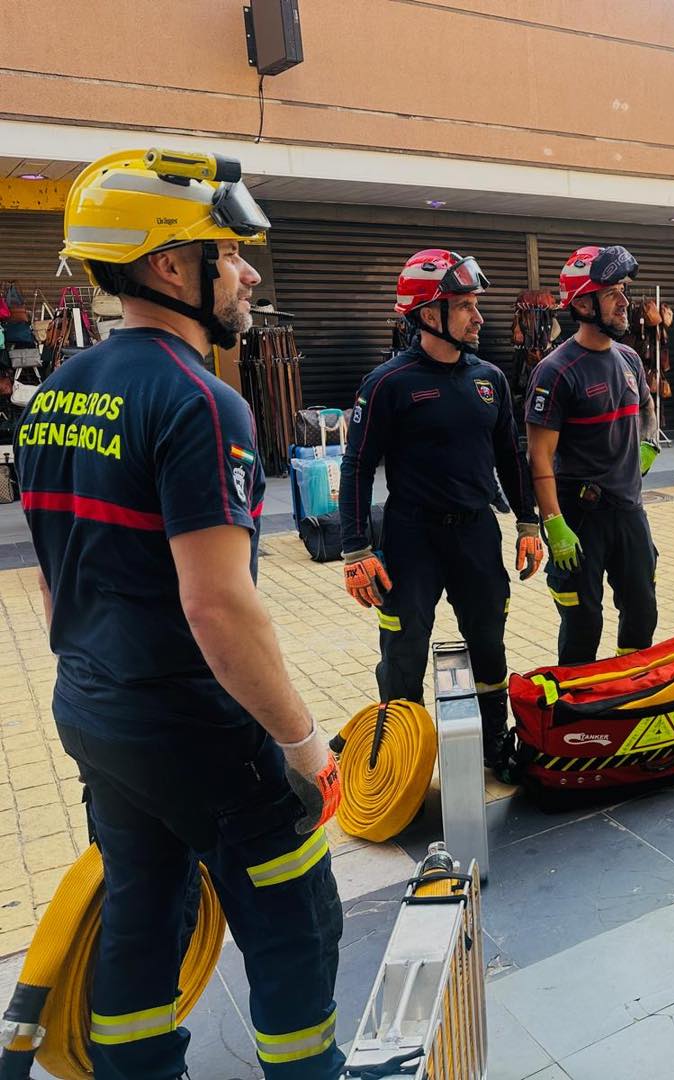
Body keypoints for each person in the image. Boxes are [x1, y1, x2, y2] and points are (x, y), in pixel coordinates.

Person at [16, 148, 344, 1079]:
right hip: (198, 726)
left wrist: (106, 676)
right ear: (168, 265)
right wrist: (302, 743)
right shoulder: (205, 402)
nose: (245, 272)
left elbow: (54, 579)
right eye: (227, 252)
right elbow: (218, 605)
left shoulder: (54, 398)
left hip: (95, 711)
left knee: (142, 911)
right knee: (294, 921)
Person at [339, 249, 542, 764]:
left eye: (476, 305)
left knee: (488, 642)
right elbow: (357, 466)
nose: (478, 317)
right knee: (402, 653)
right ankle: (398, 760)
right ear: (430, 315)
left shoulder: (490, 380)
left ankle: (494, 745)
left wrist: (527, 521)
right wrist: (356, 549)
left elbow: (511, 459)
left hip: (475, 534)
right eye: (466, 306)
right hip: (410, 540)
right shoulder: (387, 383)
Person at [526, 245, 661, 665]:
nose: (624, 302)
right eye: (611, 294)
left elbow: (647, 408)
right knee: (584, 622)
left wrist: (648, 441)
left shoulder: (630, 359)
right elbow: (539, 457)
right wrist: (554, 524)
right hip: (579, 516)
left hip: (629, 512)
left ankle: (629, 695)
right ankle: (573, 716)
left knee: (642, 613)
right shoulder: (555, 370)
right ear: (582, 303)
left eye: (623, 290)